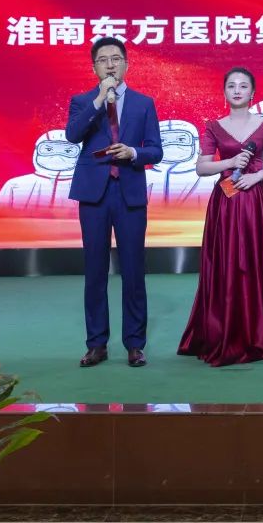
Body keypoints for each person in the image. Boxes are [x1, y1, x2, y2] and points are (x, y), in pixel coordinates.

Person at [178, 67, 263, 366]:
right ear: (224, 92)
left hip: (256, 202)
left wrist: (257, 176)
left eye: (243, 86)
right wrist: (231, 162)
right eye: (232, 86)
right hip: (225, 203)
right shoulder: (213, 127)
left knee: (260, 263)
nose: (237, 90)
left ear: (252, 93)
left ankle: (261, 334)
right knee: (227, 264)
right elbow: (202, 167)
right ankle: (224, 333)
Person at [65, 37, 162, 368]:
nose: (110, 65)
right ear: (94, 67)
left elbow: (156, 149)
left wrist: (133, 152)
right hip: (94, 194)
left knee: (133, 270)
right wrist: (98, 100)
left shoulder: (143, 103)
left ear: (127, 64)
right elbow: (72, 135)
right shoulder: (82, 101)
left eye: (116, 59)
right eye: (103, 60)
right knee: (95, 270)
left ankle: (135, 344)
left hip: (129, 192)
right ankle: (96, 344)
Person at [0, 130, 80, 212]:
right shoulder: (15, 184)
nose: (57, 156)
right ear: (36, 151)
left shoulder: (84, 187)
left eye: (68, 151)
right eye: (48, 150)